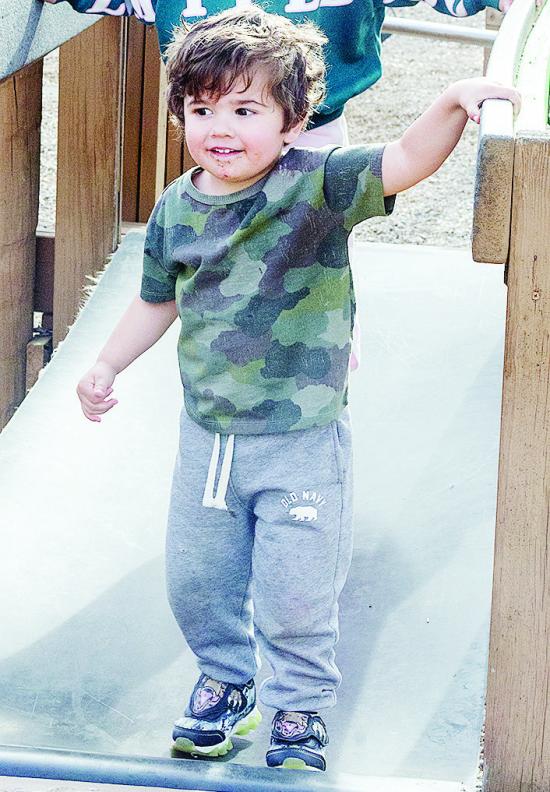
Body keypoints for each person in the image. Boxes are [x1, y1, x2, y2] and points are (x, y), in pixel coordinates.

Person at [76, 7, 519, 772]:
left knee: (297, 589)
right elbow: (157, 299)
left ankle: (299, 707)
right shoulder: (178, 207)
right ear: (180, 110)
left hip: (302, 439)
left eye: (246, 110)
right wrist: (108, 363)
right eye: (202, 108)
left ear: (292, 121)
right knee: (197, 581)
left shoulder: (318, 187)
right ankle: (227, 680)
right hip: (210, 438)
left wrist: (451, 101)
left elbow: (406, 160)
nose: (221, 126)